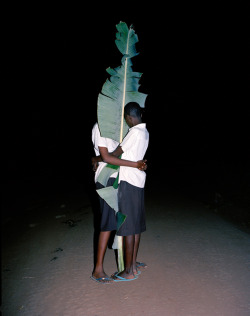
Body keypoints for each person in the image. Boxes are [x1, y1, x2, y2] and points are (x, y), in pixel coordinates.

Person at [91, 120, 147, 284]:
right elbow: (107, 157)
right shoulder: (99, 127)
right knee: (108, 223)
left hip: (121, 179)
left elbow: (117, 153)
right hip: (106, 179)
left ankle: (130, 263)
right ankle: (98, 269)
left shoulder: (118, 129)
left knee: (127, 221)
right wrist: (135, 164)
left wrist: (95, 158)